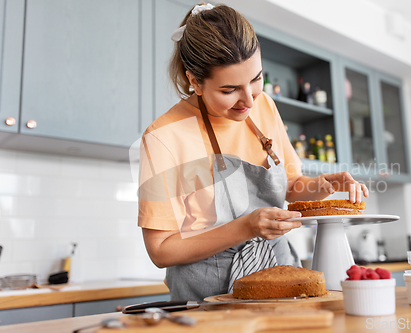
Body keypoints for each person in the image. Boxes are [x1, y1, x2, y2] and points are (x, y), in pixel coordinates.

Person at [138, 3, 369, 301]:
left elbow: (290, 185)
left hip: (282, 283)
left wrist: (323, 185)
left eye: (256, 78)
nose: (248, 100)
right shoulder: (163, 137)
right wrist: (246, 227)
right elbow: (160, 249)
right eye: (229, 89)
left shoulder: (265, 106)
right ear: (195, 81)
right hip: (206, 301)